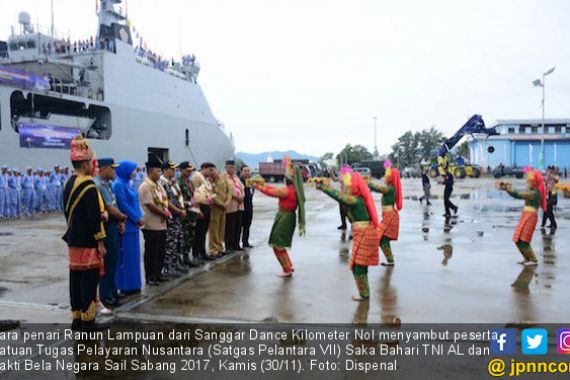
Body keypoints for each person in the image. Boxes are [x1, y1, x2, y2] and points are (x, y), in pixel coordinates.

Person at [62, 135, 108, 331]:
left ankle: (77, 318)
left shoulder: (68, 183)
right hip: (88, 241)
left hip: (73, 239)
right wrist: (100, 242)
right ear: (87, 162)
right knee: (89, 280)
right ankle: (88, 321)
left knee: (75, 279)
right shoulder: (88, 186)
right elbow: (93, 218)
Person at [317, 167, 380, 301]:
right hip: (364, 233)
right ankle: (364, 292)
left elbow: (339, 196)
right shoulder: (360, 199)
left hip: (364, 234)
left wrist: (324, 188)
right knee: (359, 266)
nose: (348, 187)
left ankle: (364, 294)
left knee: (358, 266)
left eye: (350, 185)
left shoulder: (355, 200)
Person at [255, 157, 305, 277]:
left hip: (284, 218)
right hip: (287, 217)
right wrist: (263, 185)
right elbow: (274, 189)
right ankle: (289, 265)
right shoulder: (294, 190)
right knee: (281, 245)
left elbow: (271, 192)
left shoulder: (287, 191)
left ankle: (286, 269)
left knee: (277, 245)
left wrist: (258, 186)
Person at [94, 158, 127, 306]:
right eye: (111, 168)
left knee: (113, 261)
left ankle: (112, 291)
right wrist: (122, 217)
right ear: (103, 169)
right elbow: (109, 208)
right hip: (106, 228)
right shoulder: (99, 185)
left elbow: (114, 204)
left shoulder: (108, 185)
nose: (114, 171)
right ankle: (106, 294)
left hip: (113, 225)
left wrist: (120, 220)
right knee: (108, 263)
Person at [497, 168, 546, 266]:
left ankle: (533, 259)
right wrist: (508, 188)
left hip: (531, 217)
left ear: (534, 183)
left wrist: (507, 188)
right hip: (526, 215)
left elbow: (518, 194)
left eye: (529, 181)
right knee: (518, 240)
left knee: (524, 240)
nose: (527, 182)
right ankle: (527, 258)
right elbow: (518, 192)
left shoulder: (534, 193)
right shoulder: (532, 191)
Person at [113, 160, 144, 293]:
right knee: (126, 257)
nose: (135, 172)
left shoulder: (127, 183)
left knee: (134, 256)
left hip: (134, 225)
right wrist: (137, 218)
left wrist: (139, 216)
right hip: (127, 225)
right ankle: (125, 285)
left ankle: (134, 284)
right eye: (133, 170)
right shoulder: (119, 184)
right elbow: (123, 205)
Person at [138, 159, 171, 286]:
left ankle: (158, 273)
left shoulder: (158, 185)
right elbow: (151, 205)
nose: (159, 173)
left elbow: (163, 201)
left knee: (160, 251)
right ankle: (150, 276)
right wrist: (165, 214)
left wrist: (166, 212)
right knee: (151, 252)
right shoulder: (145, 186)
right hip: (151, 224)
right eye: (158, 171)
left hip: (161, 224)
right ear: (151, 171)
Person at [368, 161, 403, 266]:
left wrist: (367, 183)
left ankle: (390, 260)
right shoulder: (390, 188)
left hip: (390, 217)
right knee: (383, 240)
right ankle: (390, 260)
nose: (384, 177)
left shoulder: (389, 189)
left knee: (381, 239)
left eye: (386, 175)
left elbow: (377, 188)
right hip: (388, 216)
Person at [159, 161, 187, 277]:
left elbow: (178, 197)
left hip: (177, 217)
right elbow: (167, 202)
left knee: (178, 241)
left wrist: (182, 209)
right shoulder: (163, 183)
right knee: (170, 243)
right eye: (172, 169)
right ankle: (168, 267)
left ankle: (175, 264)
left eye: (175, 169)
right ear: (165, 170)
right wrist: (178, 210)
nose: (174, 172)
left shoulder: (173, 183)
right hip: (170, 217)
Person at [191, 163, 216, 262]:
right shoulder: (197, 178)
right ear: (203, 168)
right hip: (199, 206)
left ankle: (202, 252)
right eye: (209, 170)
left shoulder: (206, 180)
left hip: (206, 206)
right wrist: (197, 210)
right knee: (198, 231)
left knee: (204, 231)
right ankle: (196, 254)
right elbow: (193, 193)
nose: (211, 173)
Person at [177, 161, 199, 266]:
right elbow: (177, 199)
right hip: (185, 214)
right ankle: (181, 259)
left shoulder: (189, 182)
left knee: (191, 237)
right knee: (184, 238)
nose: (190, 172)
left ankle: (186, 257)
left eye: (190, 170)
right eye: (187, 170)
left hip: (192, 213)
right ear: (182, 170)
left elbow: (193, 195)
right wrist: (189, 203)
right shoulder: (178, 182)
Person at [208, 168, 231, 257]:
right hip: (215, 208)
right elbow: (211, 196)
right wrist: (222, 204)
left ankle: (220, 247)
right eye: (211, 171)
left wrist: (228, 202)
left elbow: (229, 191)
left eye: (214, 171)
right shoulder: (209, 181)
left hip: (223, 208)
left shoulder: (223, 179)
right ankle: (213, 249)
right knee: (214, 229)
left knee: (221, 229)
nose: (213, 173)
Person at [224, 160, 245, 251]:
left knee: (238, 226)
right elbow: (226, 190)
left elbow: (242, 188)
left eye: (233, 167)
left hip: (240, 205)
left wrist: (242, 197)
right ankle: (228, 245)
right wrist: (237, 197)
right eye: (230, 167)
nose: (232, 169)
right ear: (226, 168)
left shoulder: (236, 178)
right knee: (230, 227)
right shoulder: (224, 178)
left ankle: (236, 244)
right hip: (231, 205)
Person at [239, 165, 254, 248]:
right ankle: (236, 244)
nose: (247, 172)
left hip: (249, 206)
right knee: (239, 226)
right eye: (245, 171)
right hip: (241, 207)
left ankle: (245, 242)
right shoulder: (239, 181)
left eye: (248, 171)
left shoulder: (250, 181)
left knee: (247, 225)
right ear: (241, 172)